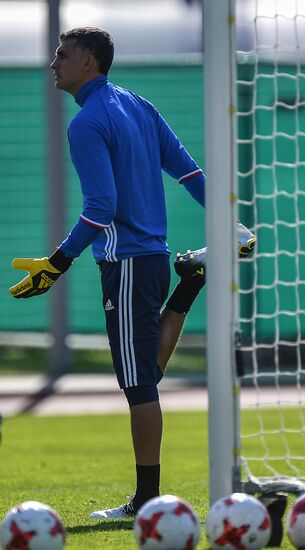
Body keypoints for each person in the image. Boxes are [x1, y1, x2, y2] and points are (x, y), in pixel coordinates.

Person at [9, 27, 256, 520]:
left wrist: (57, 263)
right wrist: (229, 226)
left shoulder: (86, 123)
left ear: (89, 63)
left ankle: (146, 501)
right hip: (154, 261)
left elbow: (102, 207)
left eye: (62, 55)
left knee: (139, 384)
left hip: (124, 265)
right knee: (145, 372)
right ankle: (190, 282)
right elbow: (189, 173)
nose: (53, 63)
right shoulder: (137, 105)